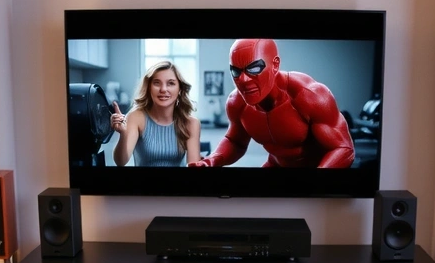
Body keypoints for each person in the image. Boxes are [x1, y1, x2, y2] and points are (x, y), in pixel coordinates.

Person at [193, 39, 355, 169]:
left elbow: (343, 149)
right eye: (236, 71)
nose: (243, 80)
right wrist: (211, 160)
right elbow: (236, 142)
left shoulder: (310, 95)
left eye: (254, 69)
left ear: (275, 65)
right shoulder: (237, 103)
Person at [112, 60, 202, 167]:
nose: (163, 89)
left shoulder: (191, 123)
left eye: (171, 83)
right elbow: (120, 162)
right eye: (156, 83)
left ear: (180, 89)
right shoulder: (136, 117)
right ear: (149, 87)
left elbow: (194, 165)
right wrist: (123, 134)